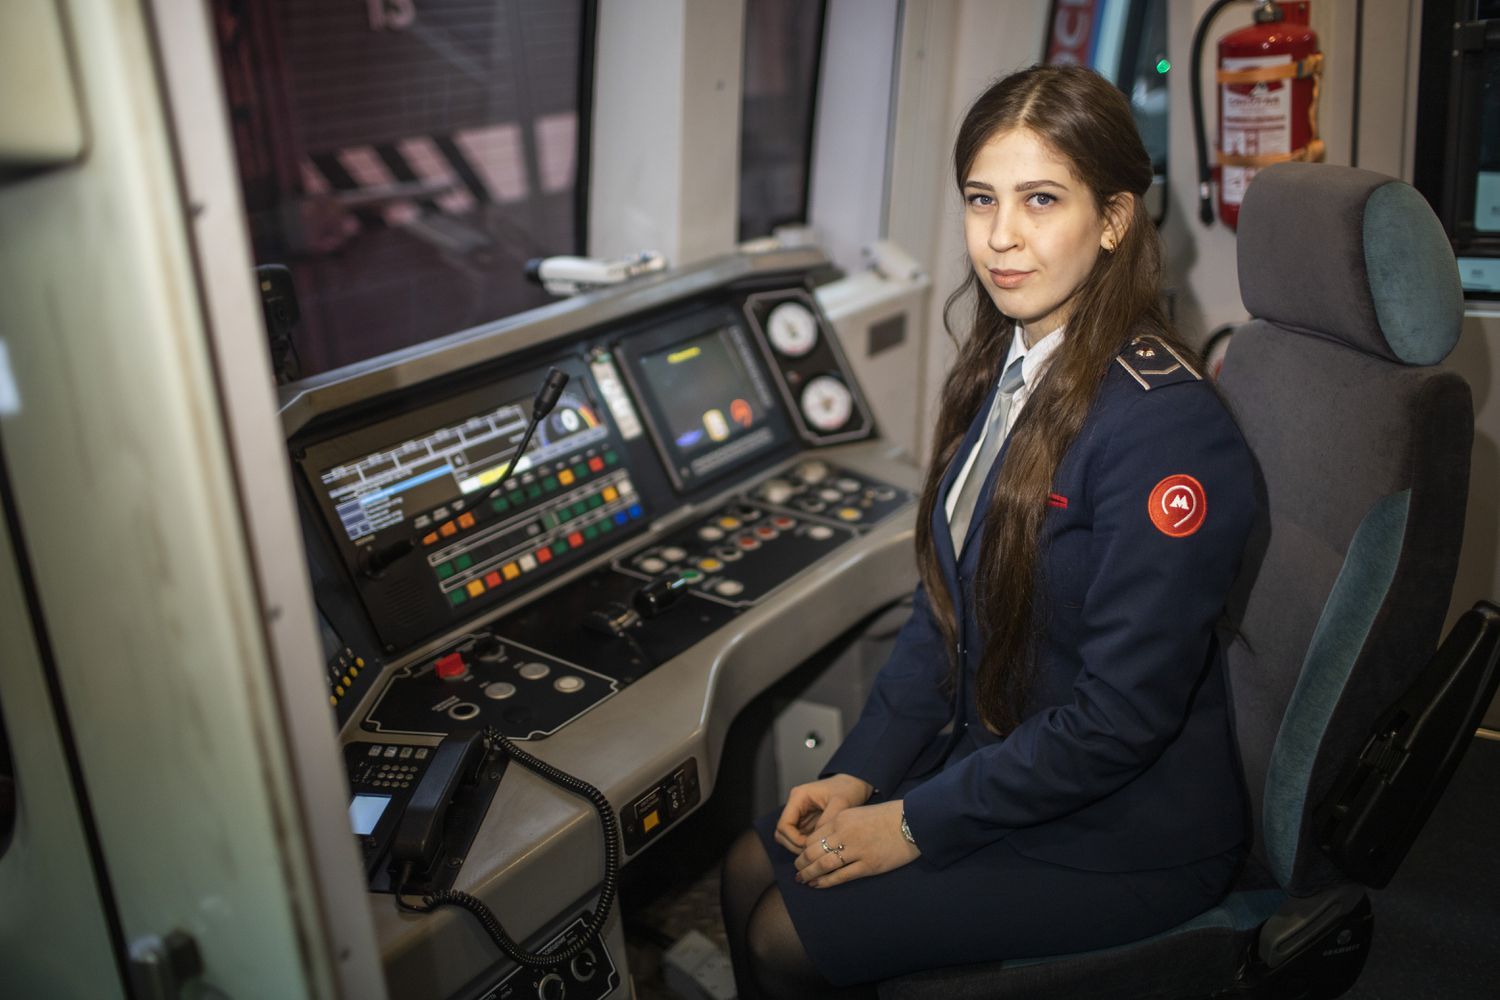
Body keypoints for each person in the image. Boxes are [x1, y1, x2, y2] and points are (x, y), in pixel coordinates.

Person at [720, 64, 1257, 998]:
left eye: (1040, 200)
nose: (1001, 238)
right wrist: (859, 774)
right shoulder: (1001, 370)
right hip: (1012, 762)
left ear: (1116, 218)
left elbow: (1120, 721)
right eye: (982, 200)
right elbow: (946, 612)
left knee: (779, 936)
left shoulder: (1165, 428)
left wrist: (912, 822)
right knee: (744, 865)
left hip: (1123, 830)